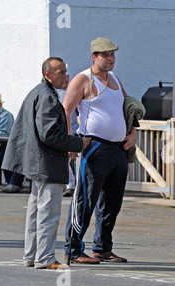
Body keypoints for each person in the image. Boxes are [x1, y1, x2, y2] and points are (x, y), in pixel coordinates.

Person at [2, 57, 89, 270]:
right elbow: (49, 134)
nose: (65, 76)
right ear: (48, 75)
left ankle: (32, 256)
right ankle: (45, 258)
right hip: (47, 163)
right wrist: (78, 142)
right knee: (48, 213)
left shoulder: (38, 92)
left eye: (66, 72)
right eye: (60, 73)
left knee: (35, 213)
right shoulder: (48, 96)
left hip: (37, 162)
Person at [63, 37, 136, 264]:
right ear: (94, 56)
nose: (111, 59)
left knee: (112, 202)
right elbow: (66, 110)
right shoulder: (82, 79)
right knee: (85, 199)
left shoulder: (114, 78)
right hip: (94, 146)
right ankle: (73, 250)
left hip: (118, 148)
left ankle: (103, 248)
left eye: (113, 55)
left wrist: (132, 131)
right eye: (105, 55)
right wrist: (69, 143)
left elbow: (128, 106)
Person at [56, 72, 78, 197]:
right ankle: (70, 184)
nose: (65, 79)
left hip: (74, 129)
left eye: (67, 76)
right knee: (65, 158)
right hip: (60, 130)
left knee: (73, 158)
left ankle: (73, 185)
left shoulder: (73, 90)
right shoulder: (55, 92)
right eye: (63, 76)